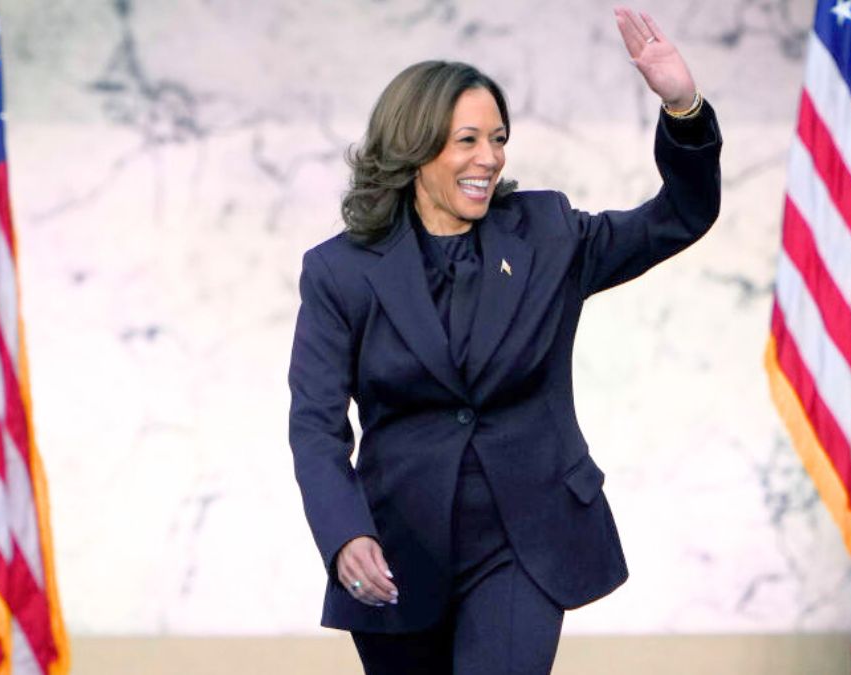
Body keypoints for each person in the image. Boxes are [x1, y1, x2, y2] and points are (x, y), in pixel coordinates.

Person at [288, 7, 721, 674]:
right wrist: (344, 534)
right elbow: (316, 426)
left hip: (526, 541)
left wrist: (683, 106)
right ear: (416, 146)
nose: (489, 158)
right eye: (467, 139)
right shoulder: (340, 269)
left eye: (498, 138)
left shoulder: (547, 233)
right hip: (398, 548)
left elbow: (679, 217)